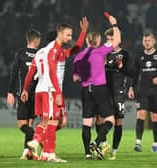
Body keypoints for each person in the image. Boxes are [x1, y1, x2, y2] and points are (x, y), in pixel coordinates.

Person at [21, 17, 89, 162]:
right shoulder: (53, 50)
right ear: (59, 34)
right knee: (53, 121)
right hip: (50, 89)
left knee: (47, 121)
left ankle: (44, 153)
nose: (70, 38)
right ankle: (39, 145)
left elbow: (75, 50)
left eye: (71, 35)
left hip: (42, 89)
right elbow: (52, 73)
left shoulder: (53, 51)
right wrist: (57, 93)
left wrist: (83, 32)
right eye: (68, 35)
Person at [73, 15, 121, 160]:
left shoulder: (79, 56)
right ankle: (97, 142)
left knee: (87, 122)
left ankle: (87, 153)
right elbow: (117, 40)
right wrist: (114, 24)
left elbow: (76, 78)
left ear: (87, 41)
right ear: (99, 41)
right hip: (100, 88)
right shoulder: (101, 51)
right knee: (110, 120)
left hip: (86, 89)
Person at [7, 29, 41, 160]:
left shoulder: (20, 53)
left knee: (22, 125)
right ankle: (27, 151)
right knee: (30, 123)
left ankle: (36, 139)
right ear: (37, 40)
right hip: (36, 93)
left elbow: (15, 73)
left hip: (23, 92)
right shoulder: (40, 54)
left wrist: (10, 91)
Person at [104, 27, 132, 160]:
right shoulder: (105, 53)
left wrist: (121, 67)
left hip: (119, 90)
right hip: (105, 89)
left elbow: (130, 71)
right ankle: (103, 144)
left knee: (118, 120)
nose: (109, 42)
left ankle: (114, 151)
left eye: (112, 39)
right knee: (101, 118)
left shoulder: (124, 54)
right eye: (108, 39)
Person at [128, 33, 157, 152]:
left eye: (149, 40)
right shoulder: (139, 56)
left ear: (154, 41)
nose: (147, 43)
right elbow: (135, 74)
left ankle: (155, 143)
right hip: (143, 90)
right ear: (143, 42)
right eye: (145, 41)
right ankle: (138, 142)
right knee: (141, 114)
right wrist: (131, 87)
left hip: (155, 91)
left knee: (155, 117)